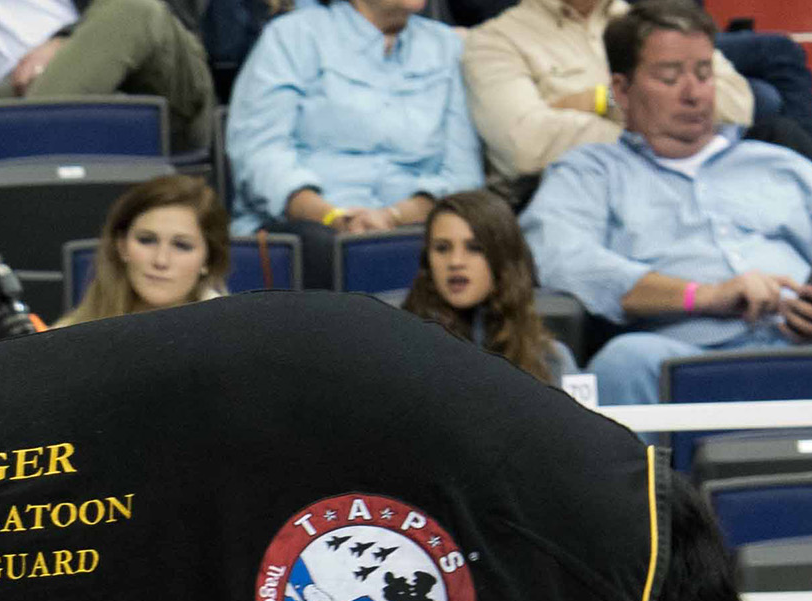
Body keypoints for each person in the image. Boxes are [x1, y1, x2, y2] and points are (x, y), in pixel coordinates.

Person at [522, 0, 812, 406]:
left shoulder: (784, 165)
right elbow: (562, 259)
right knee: (624, 361)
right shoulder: (590, 172)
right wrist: (703, 296)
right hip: (686, 354)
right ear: (622, 89)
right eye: (670, 77)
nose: (693, 93)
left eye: (704, 74)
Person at [225, 0, 482, 289]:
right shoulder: (293, 36)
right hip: (309, 223)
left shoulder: (446, 47)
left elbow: (464, 174)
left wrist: (392, 216)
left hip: (415, 222)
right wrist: (333, 216)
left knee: (480, 232)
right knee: (321, 245)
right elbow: (260, 153)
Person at [460, 0, 752, 195]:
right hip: (572, 191)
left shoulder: (650, 24)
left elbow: (738, 104)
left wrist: (601, 101)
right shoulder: (495, 39)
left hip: (683, 178)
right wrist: (651, 130)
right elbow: (524, 144)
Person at [0, 0, 214, 154]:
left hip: (158, 82)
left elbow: (175, 11)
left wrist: (68, 38)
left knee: (134, 9)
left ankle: (23, 148)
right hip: (16, 89)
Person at [400, 188, 576, 381]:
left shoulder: (550, 359)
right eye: (442, 248)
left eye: (475, 248)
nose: (456, 262)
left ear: (503, 257)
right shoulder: (400, 347)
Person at [57, 172, 228, 325]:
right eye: (147, 240)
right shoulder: (71, 330)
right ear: (122, 246)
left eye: (182, 245)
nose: (161, 260)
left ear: (208, 259)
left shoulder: (229, 333)